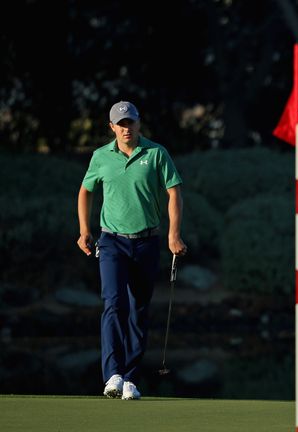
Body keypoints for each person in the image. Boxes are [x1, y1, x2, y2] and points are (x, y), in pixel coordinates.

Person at [76, 101, 187, 400]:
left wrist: (173, 234)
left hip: (147, 240)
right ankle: (112, 375)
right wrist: (85, 231)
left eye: (131, 123)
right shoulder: (101, 157)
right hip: (111, 240)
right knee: (113, 303)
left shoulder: (156, 153)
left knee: (138, 308)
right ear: (111, 127)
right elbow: (85, 191)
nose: (126, 128)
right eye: (120, 124)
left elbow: (174, 191)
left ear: (139, 124)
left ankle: (130, 379)